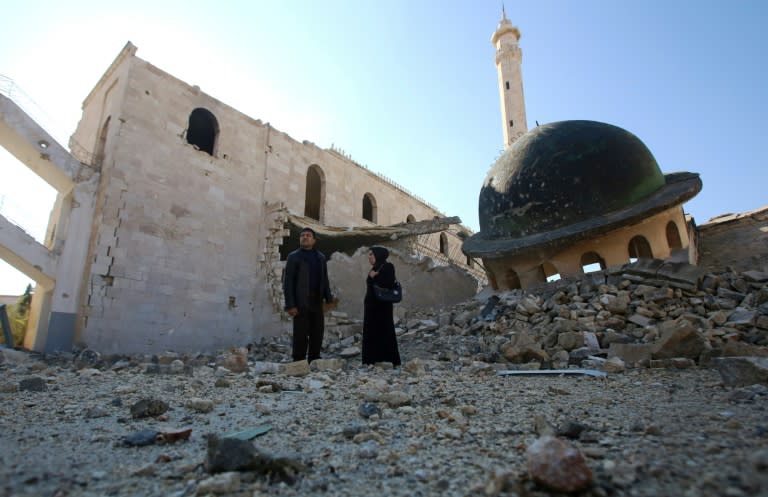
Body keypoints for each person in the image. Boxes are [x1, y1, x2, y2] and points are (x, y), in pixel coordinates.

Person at [283, 227, 335, 362]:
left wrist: (328, 299)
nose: (305, 237)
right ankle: (299, 360)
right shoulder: (293, 257)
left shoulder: (321, 257)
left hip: (317, 301)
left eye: (308, 235)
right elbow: (288, 283)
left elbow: (325, 279)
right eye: (302, 235)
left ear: (314, 240)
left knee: (317, 331)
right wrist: (290, 305)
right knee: (300, 332)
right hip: (300, 302)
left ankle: (314, 359)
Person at [362, 246, 401, 366]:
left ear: (378, 255)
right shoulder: (374, 268)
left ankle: (388, 359)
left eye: (371, 254)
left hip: (382, 306)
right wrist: (371, 277)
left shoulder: (388, 266)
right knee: (371, 332)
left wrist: (374, 277)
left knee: (385, 330)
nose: (369, 257)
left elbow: (388, 283)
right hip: (371, 306)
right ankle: (371, 360)